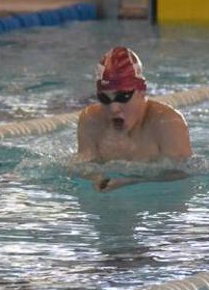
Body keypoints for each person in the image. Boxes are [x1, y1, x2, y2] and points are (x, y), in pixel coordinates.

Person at [75, 46, 193, 192]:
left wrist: (131, 181)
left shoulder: (168, 123)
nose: (113, 108)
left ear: (142, 92)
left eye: (123, 97)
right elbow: (83, 166)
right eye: (104, 98)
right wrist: (97, 179)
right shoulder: (91, 121)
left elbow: (182, 175)